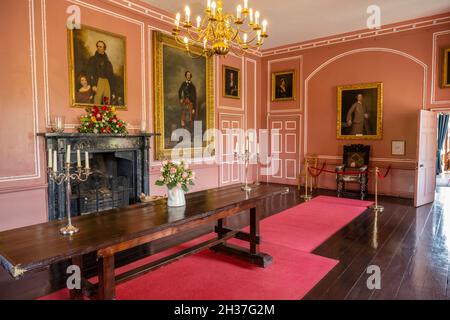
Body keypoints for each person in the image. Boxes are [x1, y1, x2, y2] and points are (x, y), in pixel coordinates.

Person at [86, 40, 116, 105]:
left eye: (101, 47)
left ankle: (106, 115)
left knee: (106, 102)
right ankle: (96, 115)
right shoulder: (92, 59)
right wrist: (93, 84)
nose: (99, 48)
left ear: (104, 49)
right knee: (97, 102)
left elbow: (111, 78)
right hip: (98, 81)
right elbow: (89, 73)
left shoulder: (108, 63)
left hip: (107, 82)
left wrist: (113, 91)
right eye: (98, 46)